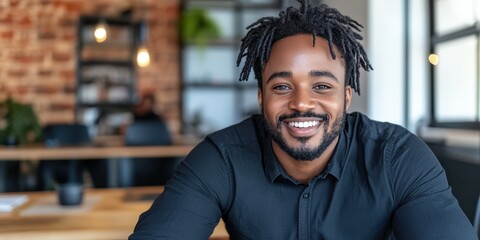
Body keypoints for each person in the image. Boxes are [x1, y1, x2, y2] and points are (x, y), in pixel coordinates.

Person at [129, 1, 477, 239]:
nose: (301, 103)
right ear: (261, 98)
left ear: (346, 96)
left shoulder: (397, 157)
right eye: (282, 86)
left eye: (322, 85)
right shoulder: (222, 158)